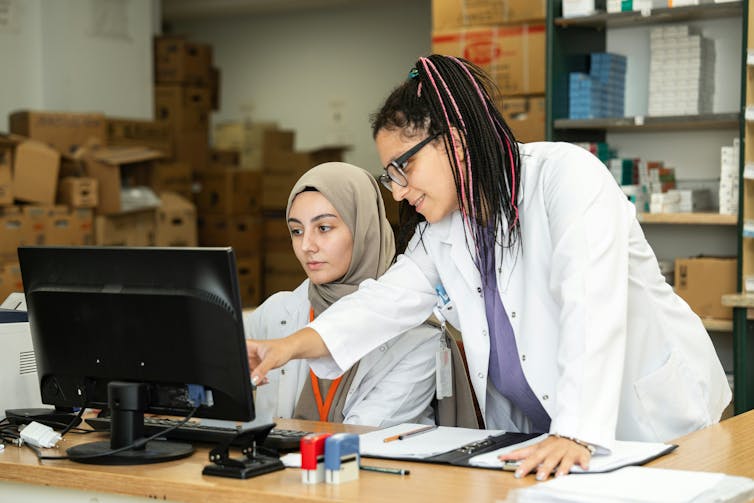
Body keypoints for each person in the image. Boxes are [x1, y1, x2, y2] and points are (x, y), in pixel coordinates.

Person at [246, 55, 731, 479]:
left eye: (402, 169)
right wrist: (285, 347)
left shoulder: (566, 179)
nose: (396, 192)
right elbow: (384, 302)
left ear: (453, 144)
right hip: (544, 433)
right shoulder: (443, 229)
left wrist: (578, 431)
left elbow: (591, 309)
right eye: (387, 175)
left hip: (645, 419)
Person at [244, 161, 442, 427]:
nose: (306, 246)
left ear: (364, 228)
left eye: (324, 228)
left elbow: (361, 436)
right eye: (296, 231)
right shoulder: (277, 311)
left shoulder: (420, 338)